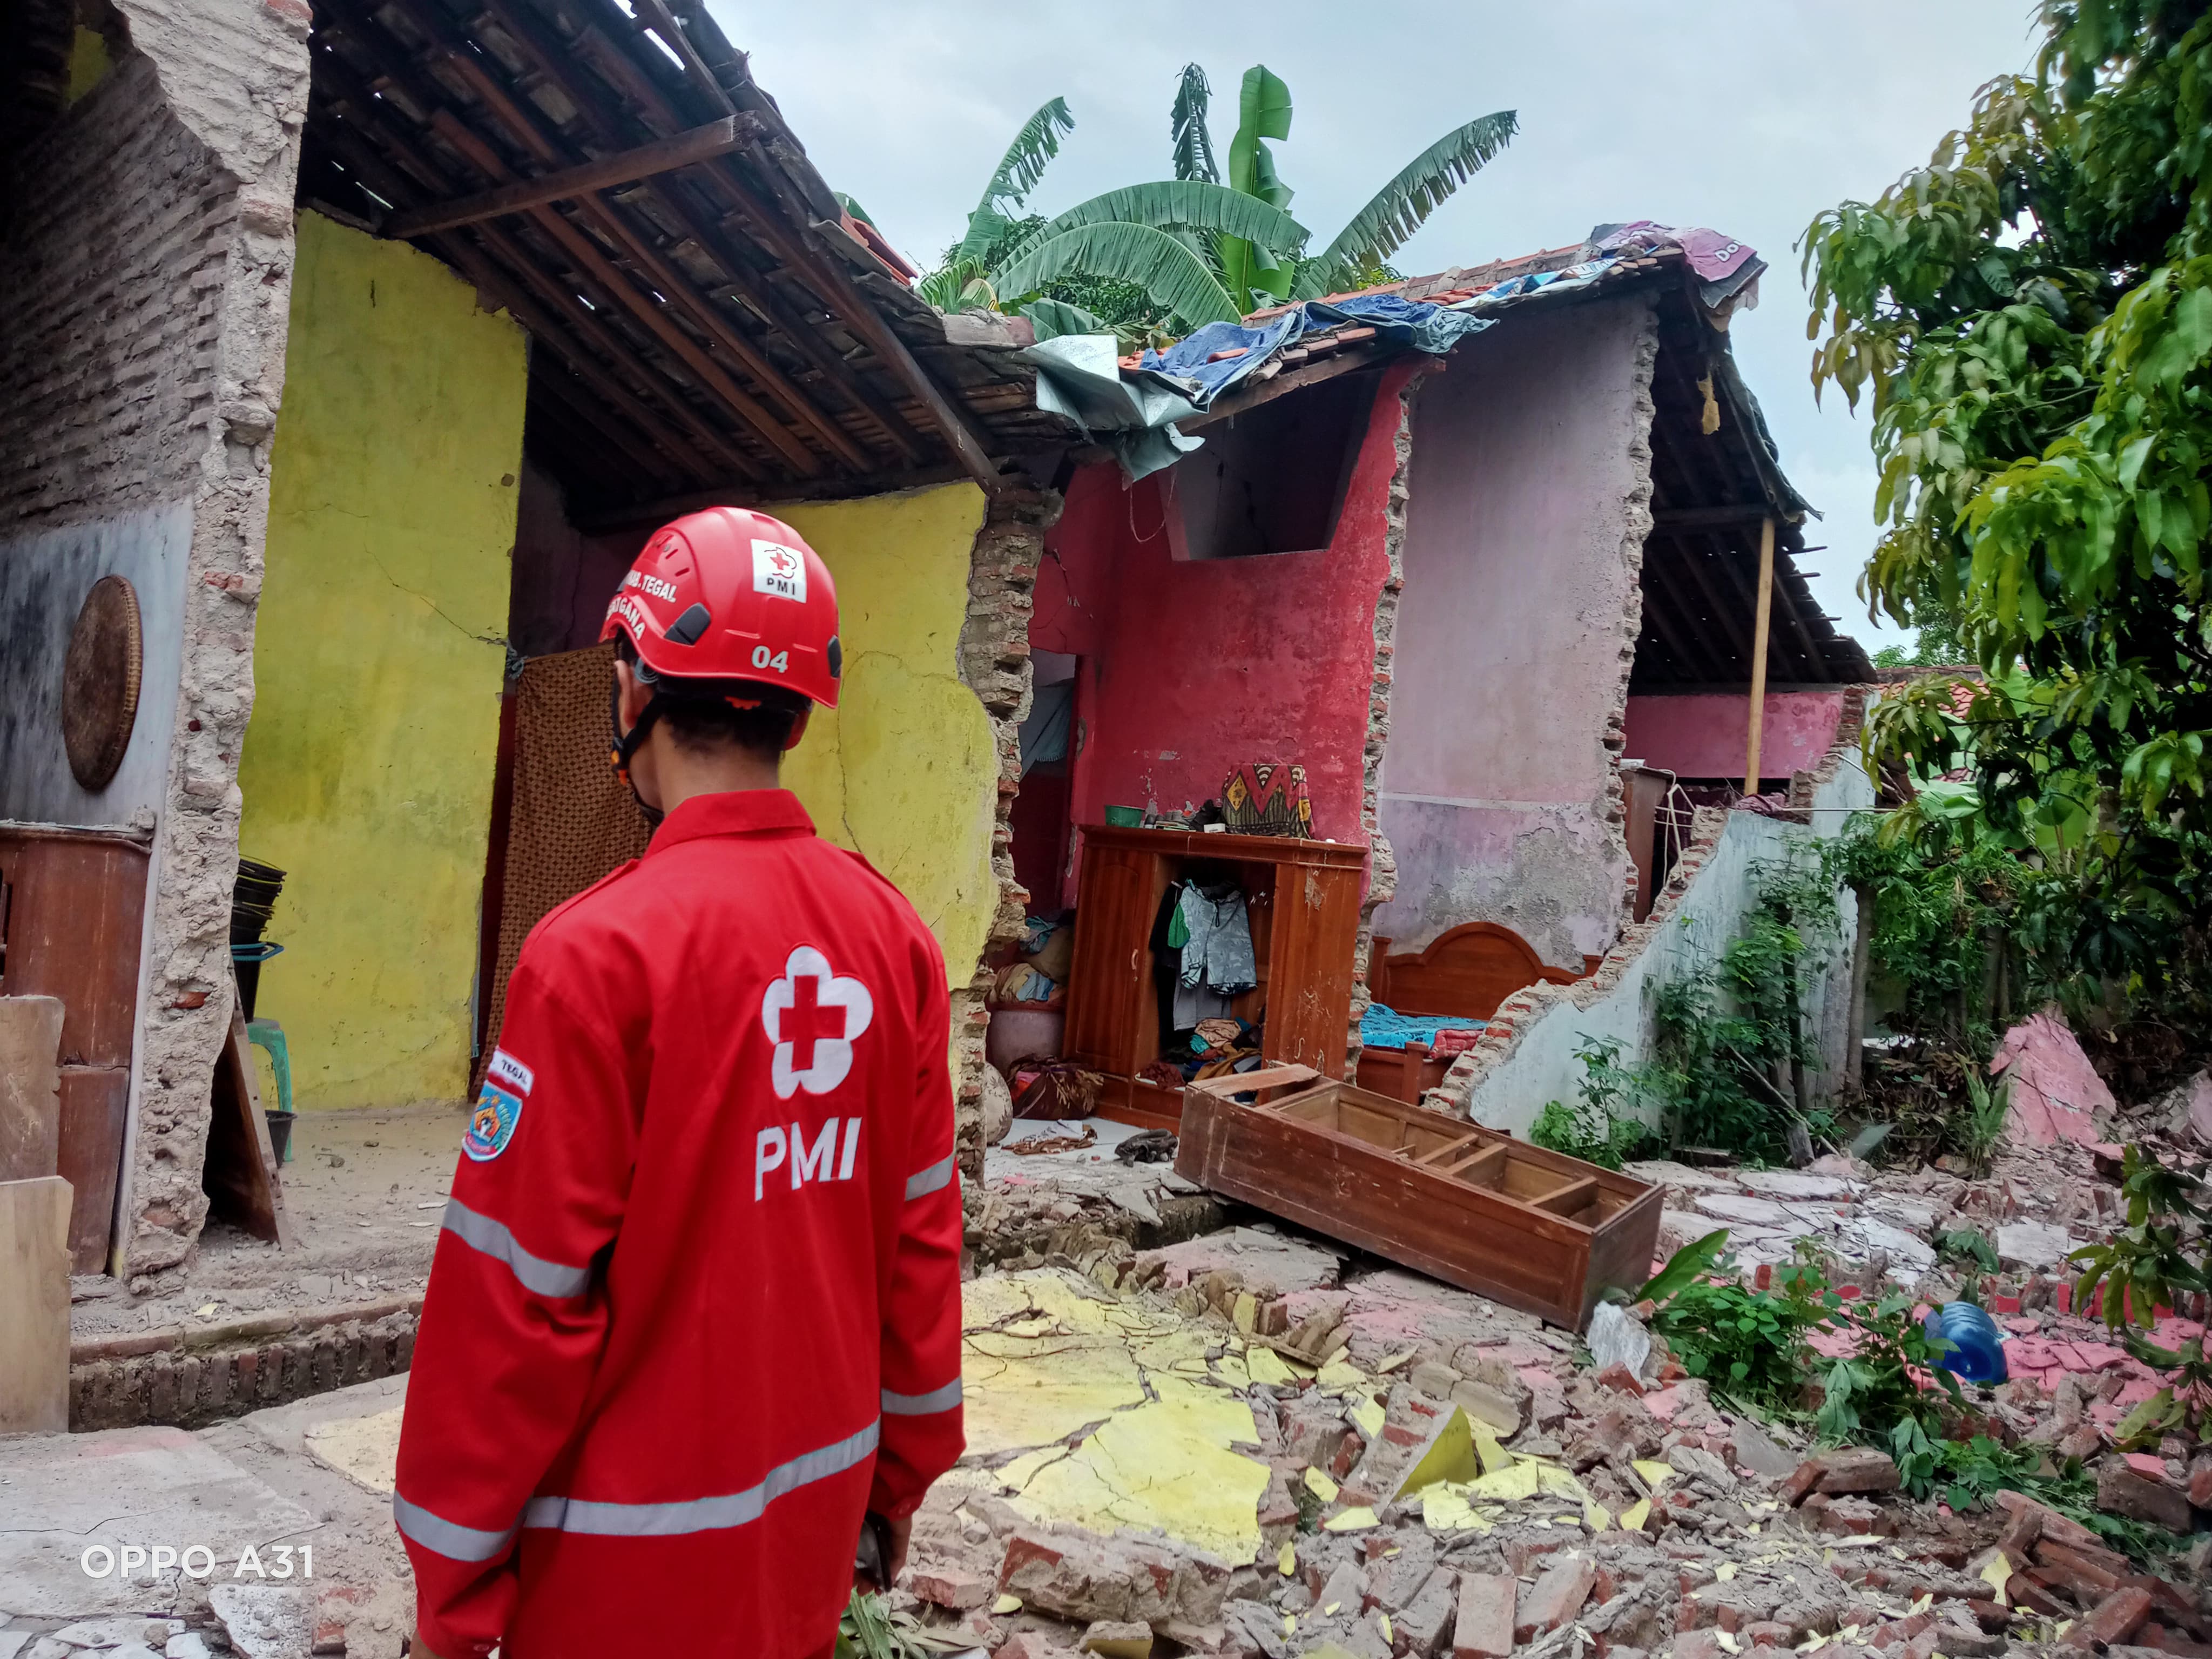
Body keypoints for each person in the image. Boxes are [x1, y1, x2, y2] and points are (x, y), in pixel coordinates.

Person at [392, 508, 965, 1658]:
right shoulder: (893, 941)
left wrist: (451, 1590)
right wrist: (892, 1487)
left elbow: (512, 1305)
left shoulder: (592, 955)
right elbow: (920, 1254)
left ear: (630, 689)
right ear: (800, 713)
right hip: (801, 1553)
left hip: (612, 1584)